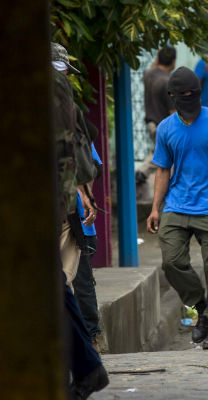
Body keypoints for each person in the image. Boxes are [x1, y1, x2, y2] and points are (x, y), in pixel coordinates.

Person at [147, 67, 208, 351]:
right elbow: (163, 170)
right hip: (177, 204)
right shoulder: (165, 128)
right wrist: (155, 208)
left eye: (191, 94)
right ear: (172, 97)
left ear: (198, 94)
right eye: (181, 96)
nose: (187, 100)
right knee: (171, 261)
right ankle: (201, 306)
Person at [51, 42, 109, 399]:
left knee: (62, 284)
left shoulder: (54, 92)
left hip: (55, 203)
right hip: (61, 201)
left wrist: (83, 193)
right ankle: (87, 365)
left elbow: (81, 154)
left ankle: (87, 364)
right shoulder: (61, 92)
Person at [73, 144, 104, 352]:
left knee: (81, 283)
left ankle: (92, 338)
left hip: (79, 225)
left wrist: (85, 195)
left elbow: (92, 165)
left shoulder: (74, 127)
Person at [137, 46, 176, 188]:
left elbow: (153, 67)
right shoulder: (168, 82)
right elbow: (173, 111)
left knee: (160, 151)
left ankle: (143, 172)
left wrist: (159, 57)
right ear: (173, 62)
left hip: (150, 122)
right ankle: (143, 172)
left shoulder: (148, 74)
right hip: (163, 124)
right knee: (166, 153)